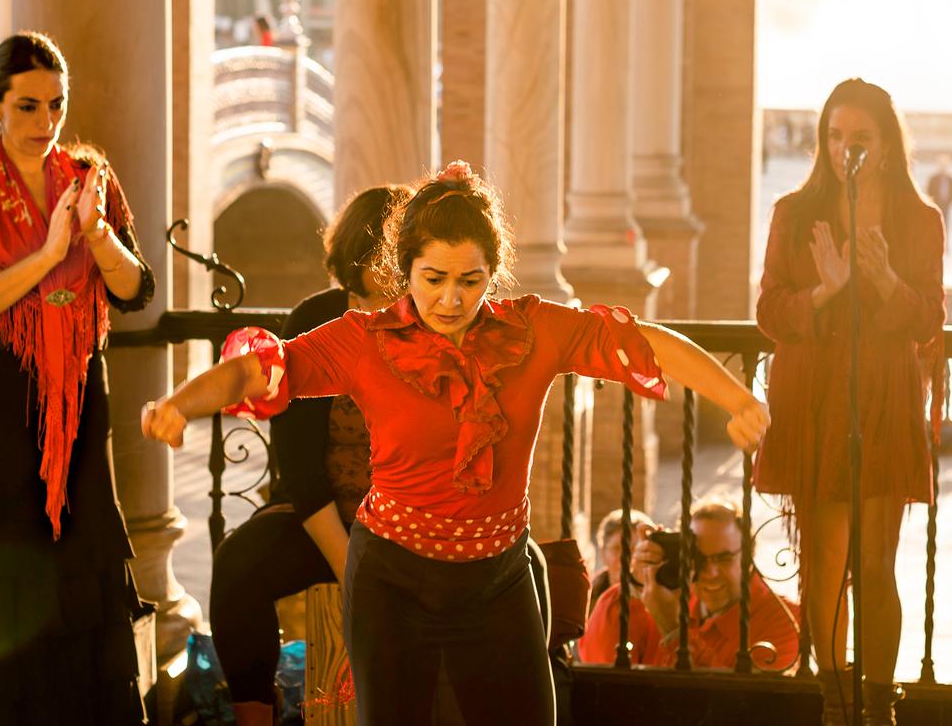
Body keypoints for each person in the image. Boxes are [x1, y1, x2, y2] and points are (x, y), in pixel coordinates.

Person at [142, 159, 770, 726]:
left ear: (492, 273)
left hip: (498, 580)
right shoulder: (364, 340)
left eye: (470, 279)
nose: (451, 298)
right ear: (405, 271)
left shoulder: (534, 331)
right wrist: (178, 404)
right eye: (434, 277)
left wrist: (738, 399)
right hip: (390, 580)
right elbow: (257, 370)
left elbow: (644, 343)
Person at [0, 31, 155, 726]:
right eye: (27, 106)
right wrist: (48, 253)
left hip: (76, 406)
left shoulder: (90, 177)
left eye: (56, 105)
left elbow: (136, 290)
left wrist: (96, 235)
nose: (46, 122)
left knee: (77, 577)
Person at [754, 78, 945, 726]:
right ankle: (836, 706)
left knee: (876, 564)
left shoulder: (919, 220)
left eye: (860, 138)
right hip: (814, 400)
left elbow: (928, 320)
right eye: (835, 137)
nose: (846, 150)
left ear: (887, 145)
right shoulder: (793, 214)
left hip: (884, 401)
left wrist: (886, 281)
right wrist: (825, 292)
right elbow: (769, 311)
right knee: (827, 563)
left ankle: (880, 705)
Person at [208, 183, 410, 725]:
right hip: (329, 520)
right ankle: (256, 714)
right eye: (366, 292)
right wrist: (352, 572)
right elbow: (300, 470)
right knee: (238, 564)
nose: (378, 309)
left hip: (411, 525)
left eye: (396, 284)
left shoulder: (433, 323)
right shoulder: (315, 319)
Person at [578, 500, 799, 672]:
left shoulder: (784, 619)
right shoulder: (665, 598)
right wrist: (635, 587)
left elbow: (739, 705)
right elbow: (601, 668)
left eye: (724, 559)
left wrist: (675, 633)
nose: (711, 573)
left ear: (749, 557)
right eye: (699, 559)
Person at [587, 507, 652, 610]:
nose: (624, 558)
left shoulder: (658, 598)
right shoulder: (588, 596)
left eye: (633, 549)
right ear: (602, 552)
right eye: (616, 548)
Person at [925, 154, 952, 251]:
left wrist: (950, 202)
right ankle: (935, 246)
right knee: (935, 226)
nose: (943, 166)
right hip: (935, 206)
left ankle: (945, 246)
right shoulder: (933, 178)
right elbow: (929, 191)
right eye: (942, 164)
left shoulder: (951, 179)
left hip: (946, 206)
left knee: (945, 226)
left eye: (945, 164)